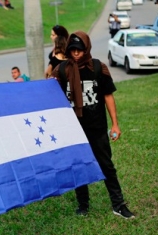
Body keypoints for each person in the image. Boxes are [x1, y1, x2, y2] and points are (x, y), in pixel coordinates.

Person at [51, 30, 135, 219]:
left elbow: (108, 96)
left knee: (106, 165)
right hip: (73, 129)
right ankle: (83, 205)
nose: (76, 53)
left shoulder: (98, 68)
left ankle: (118, 204)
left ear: (86, 48)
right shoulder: (62, 70)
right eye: (72, 49)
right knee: (79, 166)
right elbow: (50, 93)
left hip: (96, 127)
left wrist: (115, 124)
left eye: (79, 49)